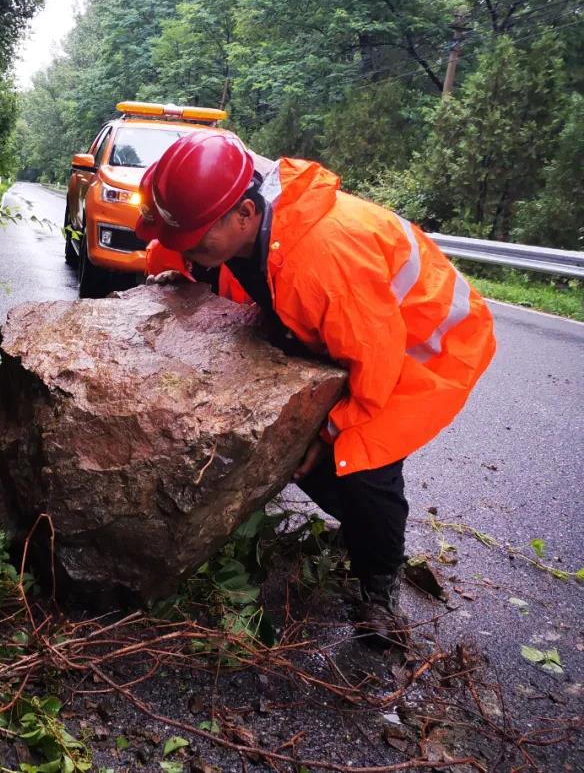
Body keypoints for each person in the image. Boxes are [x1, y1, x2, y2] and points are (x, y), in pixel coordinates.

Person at [136, 129, 496, 647]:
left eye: (196, 239)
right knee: (298, 446)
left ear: (244, 213)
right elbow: (176, 239)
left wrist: (325, 432)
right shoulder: (230, 213)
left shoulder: (324, 259)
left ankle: (378, 586)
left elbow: (374, 370)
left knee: (359, 461)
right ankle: (349, 522)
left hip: (420, 351)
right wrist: (170, 271)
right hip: (345, 330)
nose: (188, 247)